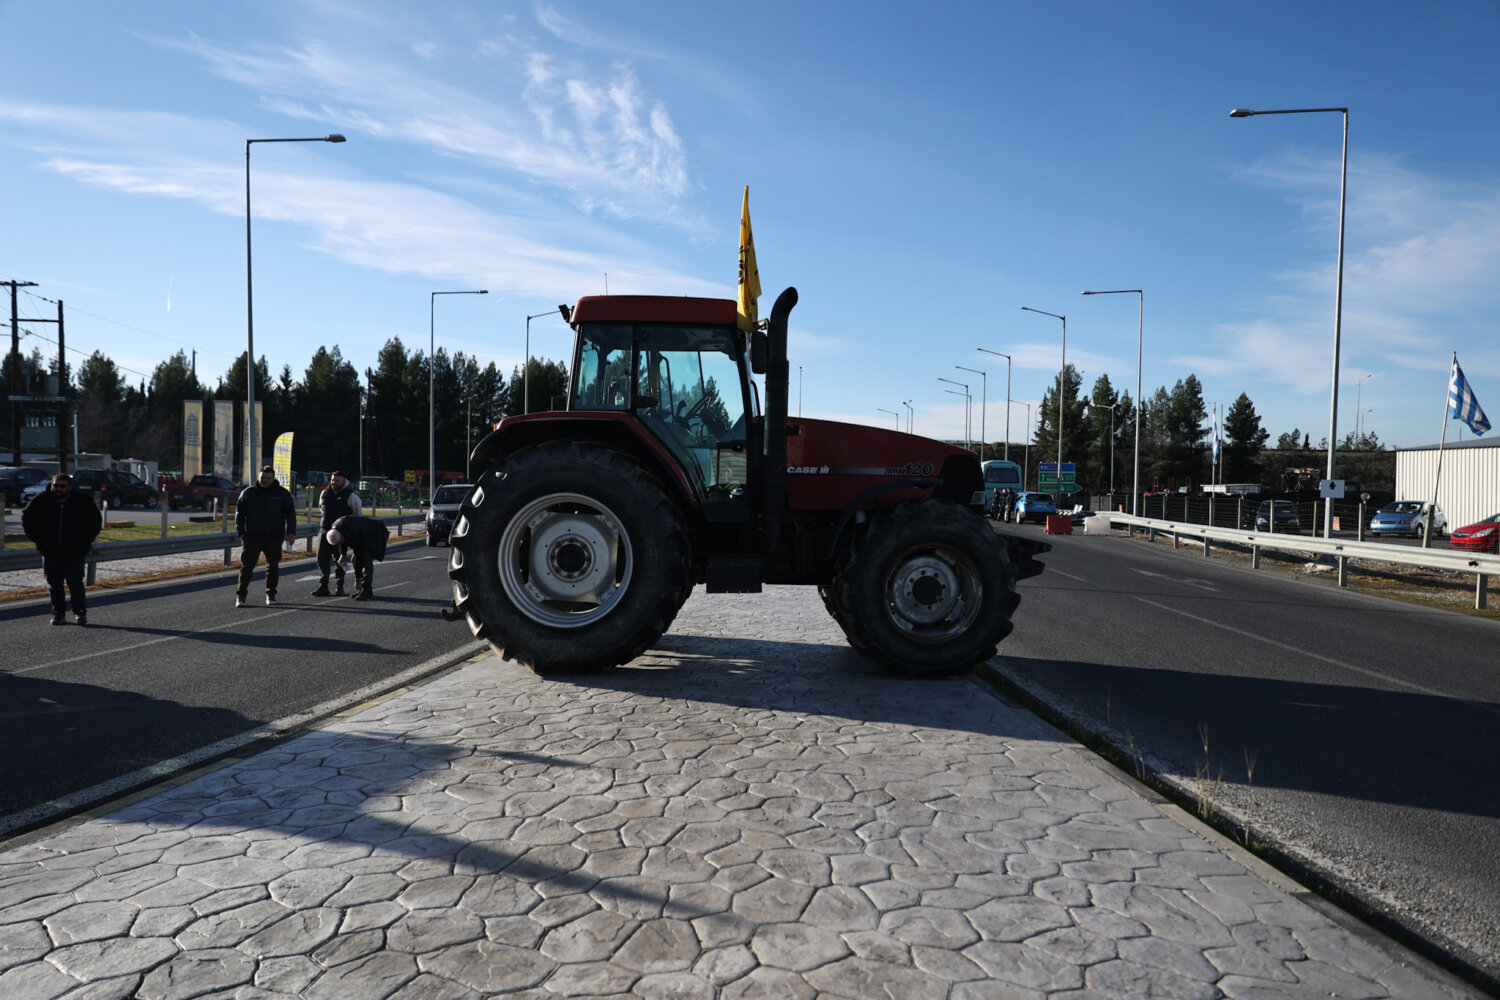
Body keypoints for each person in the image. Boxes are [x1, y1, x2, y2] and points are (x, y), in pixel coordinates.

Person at [22, 472, 103, 625]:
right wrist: (38, 540)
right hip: (50, 551)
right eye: (55, 485)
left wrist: (84, 543)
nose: (58, 489)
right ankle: (58, 614)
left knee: (75, 583)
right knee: (55, 585)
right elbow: (26, 517)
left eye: (62, 486)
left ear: (69, 487)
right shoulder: (41, 501)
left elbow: (95, 522)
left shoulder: (82, 501)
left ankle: (80, 613)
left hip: (74, 552)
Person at [234, 465, 297, 607]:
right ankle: (241, 596)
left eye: (268, 478)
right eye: (263, 477)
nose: (265, 480)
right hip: (252, 536)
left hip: (274, 536)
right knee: (247, 566)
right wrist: (241, 532)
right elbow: (240, 513)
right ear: (258, 477)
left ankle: (271, 595)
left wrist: (291, 532)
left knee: (273, 566)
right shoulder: (248, 493)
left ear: (273, 478)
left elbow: (290, 515)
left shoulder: (282, 494)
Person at [311, 470, 362, 596]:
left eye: (337, 480)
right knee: (321, 559)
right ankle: (323, 586)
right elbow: (321, 509)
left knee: (340, 560)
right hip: (325, 531)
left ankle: (340, 586)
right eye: (332, 480)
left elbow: (357, 514)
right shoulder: (325, 493)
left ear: (344, 481)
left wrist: (350, 532)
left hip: (341, 535)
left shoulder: (351, 496)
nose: (334, 482)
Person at [325, 514, 389, 601]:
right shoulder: (337, 528)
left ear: (342, 536)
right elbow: (342, 541)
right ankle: (363, 589)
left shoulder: (355, 534)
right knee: (355, 559)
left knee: (365, 560)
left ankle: (367, 591)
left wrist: (357, 580)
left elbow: (359, 556)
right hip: (366, 533)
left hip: (376, 534)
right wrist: (342, 554)